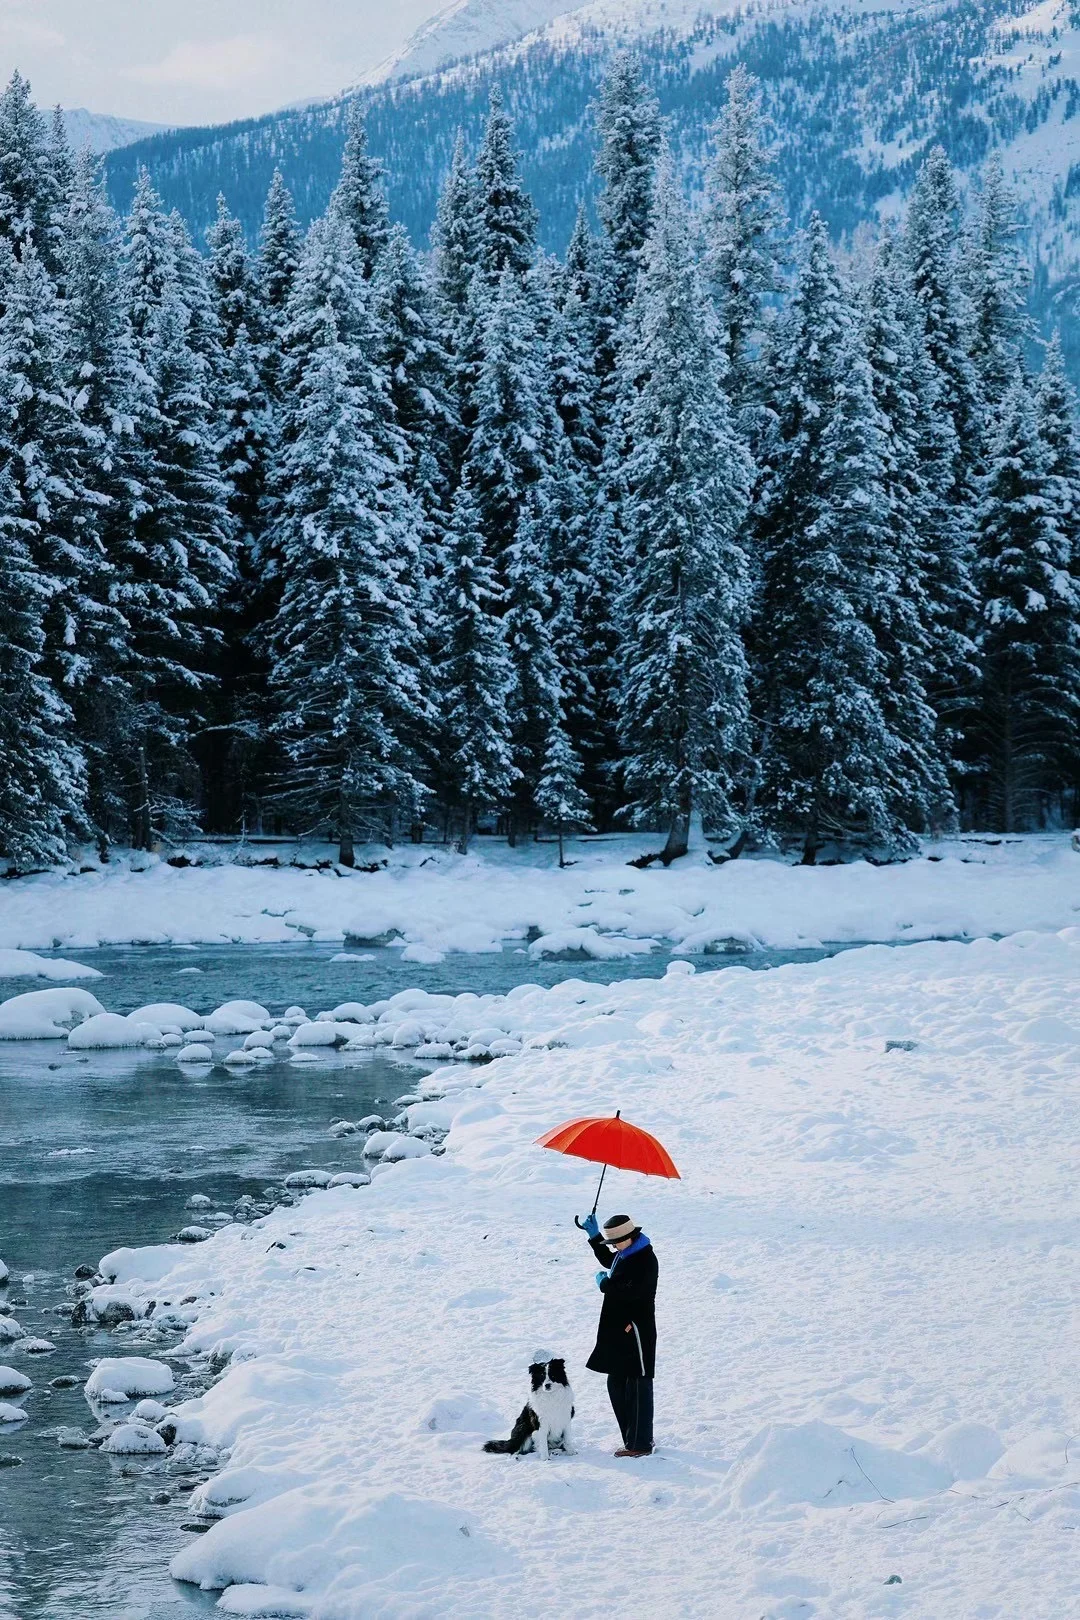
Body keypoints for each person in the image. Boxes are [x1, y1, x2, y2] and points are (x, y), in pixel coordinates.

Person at [580, 1212, 657, 1456]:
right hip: (621, 1330)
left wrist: (605, 1285)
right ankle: (634, 1440)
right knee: (617, 1382)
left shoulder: (644, 1259)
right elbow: (610, 1262)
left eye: (615, 1242)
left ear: (630, 1237)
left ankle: (640, 1444)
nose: (613, 1247)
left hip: (635, 1330)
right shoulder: (628, 1253)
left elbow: (631, 1292)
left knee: (636, 1385)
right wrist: (594, 1237)